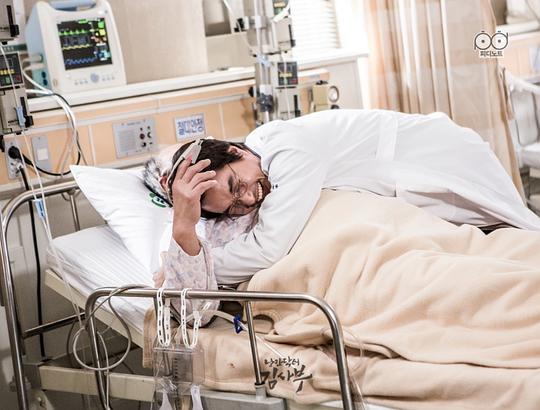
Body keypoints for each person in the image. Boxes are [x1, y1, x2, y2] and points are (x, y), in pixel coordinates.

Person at [146, 109, 540, 298]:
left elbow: (269, 246)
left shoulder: (286, 147)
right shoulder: (258, 172)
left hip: (440, 157)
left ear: (236, 151)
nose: (248, 198)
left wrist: (195, 263)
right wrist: (185, 228)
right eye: (234, 207)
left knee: (513, 230)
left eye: (237, 184)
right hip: (407, 187)